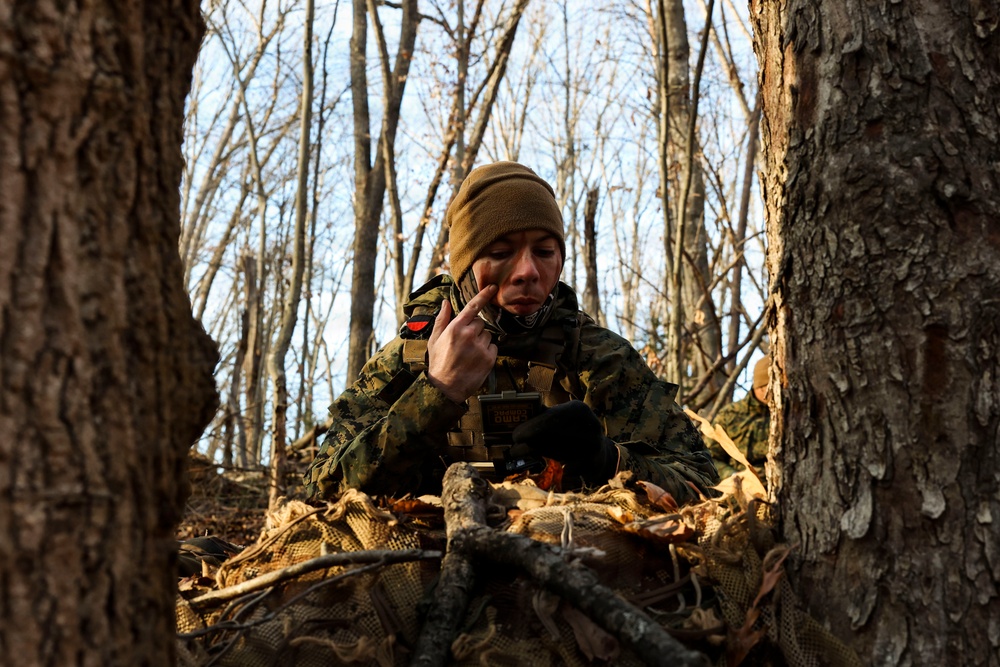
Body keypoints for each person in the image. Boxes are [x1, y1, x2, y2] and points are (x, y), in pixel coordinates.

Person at [304, 161, 718, 502]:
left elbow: (705, 488)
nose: (527, 272)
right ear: (463, 267)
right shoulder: (409, 359)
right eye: (501, 253)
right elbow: (321, 495)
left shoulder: (600, 360)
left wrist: (606, 459)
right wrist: (435, 393)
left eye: (544, 252)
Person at [705, 357, 770, 478]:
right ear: (761, 387)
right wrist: (735, 478)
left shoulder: (793, 415)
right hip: (743, 492)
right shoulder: (730, 415)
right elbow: (708, 459)